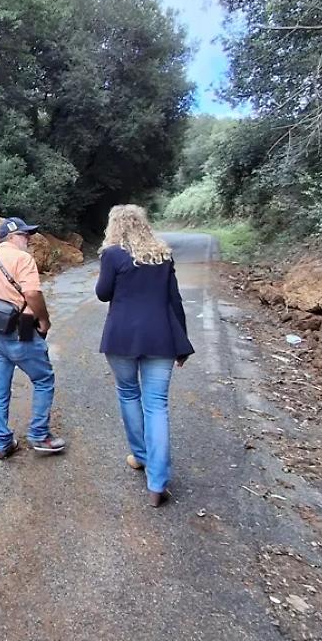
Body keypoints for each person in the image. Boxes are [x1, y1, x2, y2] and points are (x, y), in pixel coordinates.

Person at [95, 205, 194, 507]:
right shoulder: (163, 256)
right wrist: (182, 343)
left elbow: (103, 293)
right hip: (161, 339)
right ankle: (157, 482)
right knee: (157, 407)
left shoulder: (112, 255)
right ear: (144, 225)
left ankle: (140, 456)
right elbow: (174, 300)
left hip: (121, 338)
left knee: (128, 394)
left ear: (115, 226)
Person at [0, 217, 67, 459]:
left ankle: (3, 441)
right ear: (11, 237)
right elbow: (33, 293)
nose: (29, 239)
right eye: (25, 235)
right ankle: (39, 435)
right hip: (21, 329)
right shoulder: (22, 259)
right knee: (44, 379)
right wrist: (44, 320)